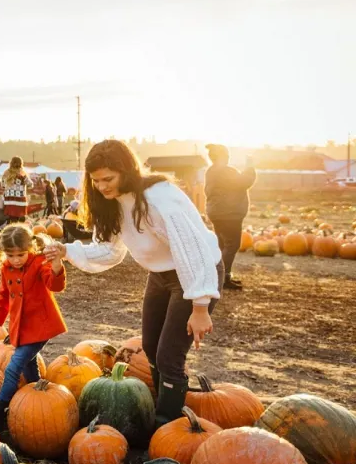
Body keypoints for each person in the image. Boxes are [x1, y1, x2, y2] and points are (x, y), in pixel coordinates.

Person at [44, 139, 223, 426]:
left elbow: (193, 249)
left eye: (108, 179)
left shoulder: (159, 198)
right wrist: (68, 251)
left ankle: (168, 423)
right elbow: (110, 251)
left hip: (196, 272)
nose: (102, 186)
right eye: (96, 180)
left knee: (169, 355)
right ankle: (160, 402)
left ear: (126, 171)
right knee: (151, 347)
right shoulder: (112, 203)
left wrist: (200, 306)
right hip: (162, 275)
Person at [0, 224, 66, 431]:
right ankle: (40, 396)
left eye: (21, 254)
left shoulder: (39, 263)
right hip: (22, 328)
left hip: (41, 327)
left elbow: (54, 285)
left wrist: (56, 266)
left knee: (13, 367)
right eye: (11, 255)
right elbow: (3, 296)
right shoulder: (6, 269)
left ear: (30, 247)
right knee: (29, 365)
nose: (16, 259)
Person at [205, 145, 256, 290]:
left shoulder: (211, 171)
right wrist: (250, 166)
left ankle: (218, 277)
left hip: (216, 212)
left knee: (221, 246)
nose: (228, 157)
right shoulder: (225, 171)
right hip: (229, 214)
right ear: (222, 156)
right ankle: (223, 278)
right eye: (226, 154)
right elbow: (244, 182)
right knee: (232, 245)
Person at [1, 156, 30, 223]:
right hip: (20, 201)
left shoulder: (6, 173)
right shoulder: (22, 173)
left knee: (11, 220)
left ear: (11, 163)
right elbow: (30, 184)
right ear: (21, 163)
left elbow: (2, 185)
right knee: (20, 221)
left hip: (9, 201)